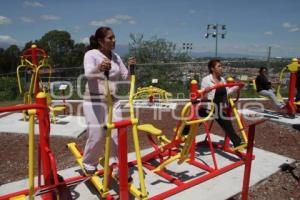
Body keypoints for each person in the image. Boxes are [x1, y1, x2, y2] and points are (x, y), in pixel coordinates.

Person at [82, 26, 135, 175]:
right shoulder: (91, 54)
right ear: (100, 41)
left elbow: (126, 77)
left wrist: (131, 68)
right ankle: (89, 162)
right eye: (110, 38)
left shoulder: (116, 57)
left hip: (113, 100)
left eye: (114, 37)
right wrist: (99, 67)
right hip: (94, 100)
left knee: (116, 133)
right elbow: (88, 74)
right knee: (97, 135)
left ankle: (114, 162)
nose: (114, 40)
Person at [183, 59, 244, 149]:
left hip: (218, 108)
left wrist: (237, 87)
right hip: (208, 107)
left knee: (227, 123)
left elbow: (227, 92)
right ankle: (182, 134)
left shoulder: (222, 80)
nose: (221, 68)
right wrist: (206, 91)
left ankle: (237, 143)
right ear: (212, 68)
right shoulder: (206, 80)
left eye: (221, 66)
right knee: (193, 122)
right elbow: (202, 95)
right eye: (219, 66)